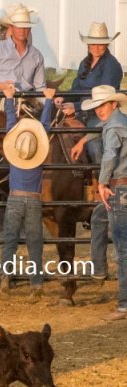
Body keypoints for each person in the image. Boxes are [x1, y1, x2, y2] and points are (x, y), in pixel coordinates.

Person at [63, 23, 124, 283]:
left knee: (97, 145)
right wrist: (64, 99)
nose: (96, 47)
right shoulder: (85, 64)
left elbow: (103, 99)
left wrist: (76, 107)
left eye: (100, 43)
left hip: (97, 116)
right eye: (93, 43)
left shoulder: (112, 66)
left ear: (106, 44)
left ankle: (101, 186)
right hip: (84, 114)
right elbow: (76, 87)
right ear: (88, 44)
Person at [0, 84, 55, 303]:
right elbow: (45, 126)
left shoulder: (14, 155)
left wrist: (9, 98)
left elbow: (10, 124)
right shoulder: (37, 157)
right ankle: (36, 283)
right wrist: (48, 100)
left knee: (10, 239)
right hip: (33, 200)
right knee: (34, 241)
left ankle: (5, 279)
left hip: (14, 197)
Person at [78, 86, 127, 320]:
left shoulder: (114, 127)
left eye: (103, 105)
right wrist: (85, 139)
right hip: (121, 187)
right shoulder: (119, 122)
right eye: (97, 106)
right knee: (98, 218)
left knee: (122, 248)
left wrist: (102, 182)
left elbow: (109, 155)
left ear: (113, 104)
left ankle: (124, 304)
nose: (99, 110)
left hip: (119, 187)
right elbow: (101, 129)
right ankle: (99, 269)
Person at [0, 5, 46, 93]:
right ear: (11, 28)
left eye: (25, 27)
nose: (22, 30)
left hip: (26, 97)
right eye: (18, 26)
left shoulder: (37, 55)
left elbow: (40, 87)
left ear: (30, 29)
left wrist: (51, 98)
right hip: (0, 97)